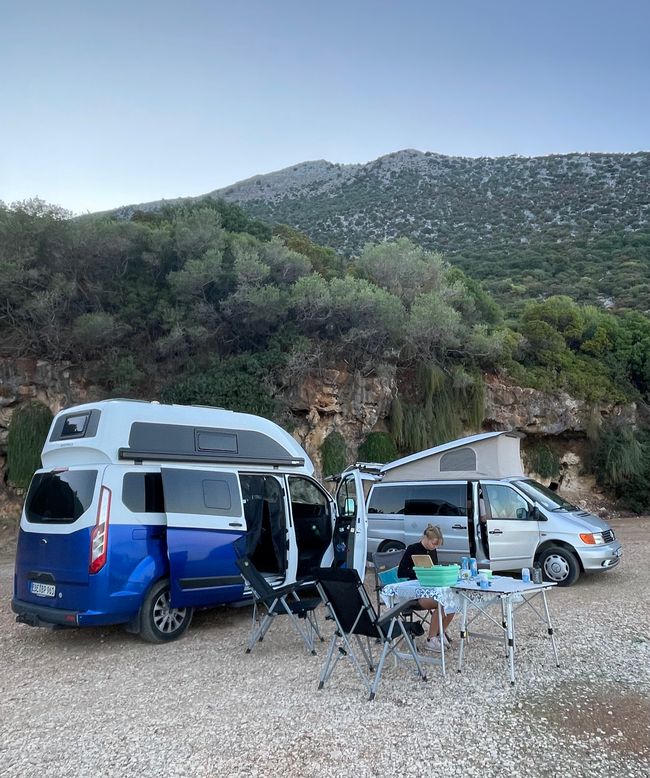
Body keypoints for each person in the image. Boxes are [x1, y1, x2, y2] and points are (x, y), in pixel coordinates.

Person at [397, 524, 455, 653]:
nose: (435, 547)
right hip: (415, 594)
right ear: (427, 538)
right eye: (434, 544)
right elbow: (401, 572)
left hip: (431, 589)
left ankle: (440, 633)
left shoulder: (433, 550)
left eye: (437, 545)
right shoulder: (412, 549)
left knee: (452, 605)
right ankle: (431, 639)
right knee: (441, 603)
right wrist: (420, 573)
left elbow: (434, 568)